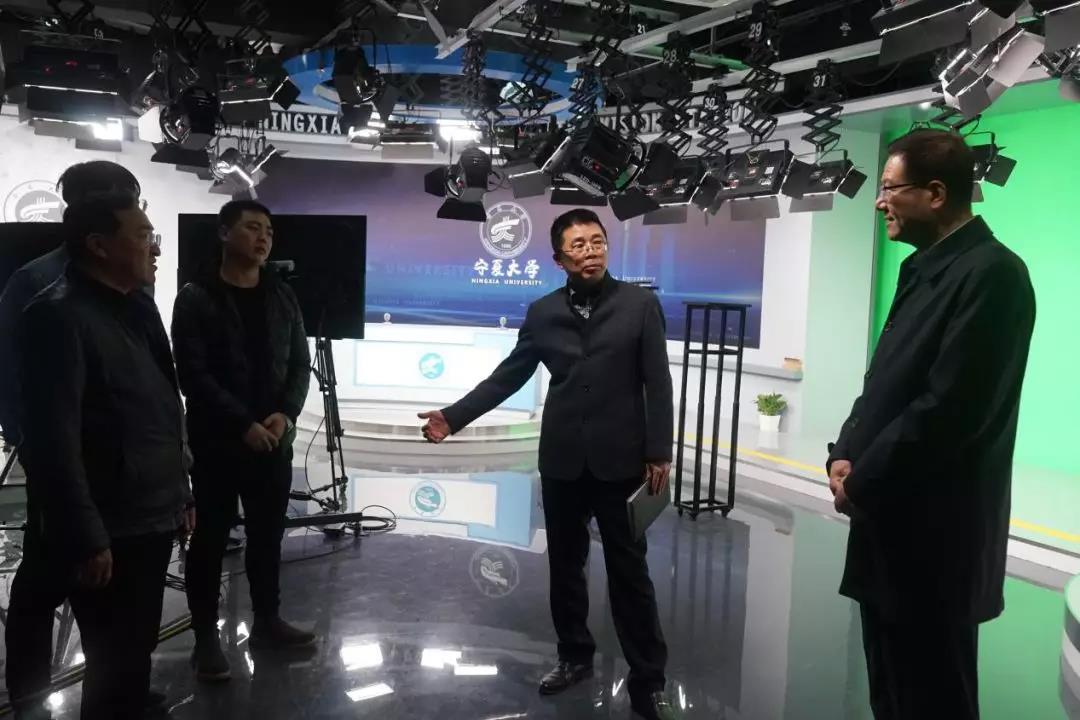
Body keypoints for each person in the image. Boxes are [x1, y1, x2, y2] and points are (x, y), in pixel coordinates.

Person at [419, 208, 680, 720]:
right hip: (563, 461)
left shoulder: (640, 305)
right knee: (565, 567)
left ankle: (648, 682)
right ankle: (574, 657)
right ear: (559, 258)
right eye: (578, 245)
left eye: (597, 241)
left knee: (630, 573)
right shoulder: (542, 313)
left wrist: (659, 451)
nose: (591, 251)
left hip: (622, 462)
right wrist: (454, 416)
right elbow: (508, 376)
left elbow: (658, 381)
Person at [827, 129, 1036, 720]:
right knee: (891, 695)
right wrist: (843, 451)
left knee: (934, 699)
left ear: (936, 193)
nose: (879, 201)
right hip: (888, 526)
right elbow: (885, 383)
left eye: (890, 188)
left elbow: (949, 410)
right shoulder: (924, 269)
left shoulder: (993, 274)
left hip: (935, 544)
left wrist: (861, 479)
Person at [0, 163, 172, 719]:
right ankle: (29, 703)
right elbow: (40, 413)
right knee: (43, 601)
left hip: (140, 498)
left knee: (126, 643)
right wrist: (68, 503)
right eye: (142, 232)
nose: (153, 247)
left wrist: (179, 486)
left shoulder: (134, 295)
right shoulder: (45, 297)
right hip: (85, 494)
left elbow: (159, 395)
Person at [172, 200, 313, 682]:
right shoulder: (196, 297)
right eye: (252, 228)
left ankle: (267, 621)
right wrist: (242, 425)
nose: (263, 238)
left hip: (273, 441)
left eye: (268, 231)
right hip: (218, 442)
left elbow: (300, 363)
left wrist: (285, 416)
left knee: (267, 537)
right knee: (210, 540)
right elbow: (193, 374)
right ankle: (205, 640)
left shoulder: (282, 295)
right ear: (224, 233)